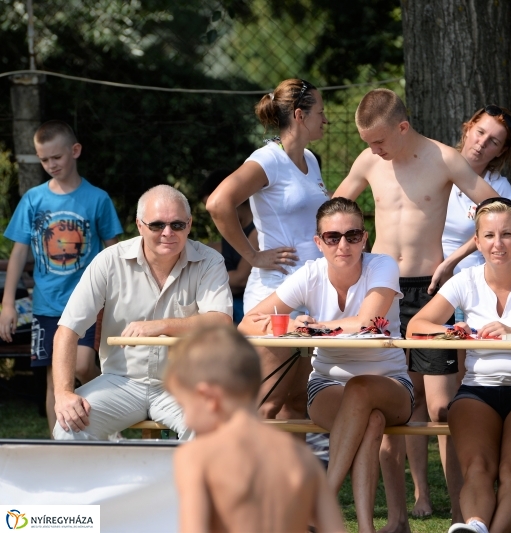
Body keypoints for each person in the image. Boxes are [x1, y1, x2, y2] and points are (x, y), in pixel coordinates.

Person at [334, 88, 499, 523]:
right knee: (390, 407)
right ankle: (398, 518)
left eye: (379, 141)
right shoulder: (369, 161)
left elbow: (498, 209)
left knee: (443, 410)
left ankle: (460, 515)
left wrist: (454, 259)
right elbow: (335, 210)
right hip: (382, 291)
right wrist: (352, 257)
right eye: (368, 143)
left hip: (429, 291)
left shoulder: (444, 159)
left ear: (403, 128)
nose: (374, 149)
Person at [239, 198, 413, 533]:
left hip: (390, 383)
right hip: (327, 385)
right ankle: (365, 529)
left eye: (352, 235)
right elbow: (248, 322)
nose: (343, 245)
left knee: (361, 388)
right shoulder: (310, 273)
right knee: (371, 422)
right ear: (318, 243)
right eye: (332, 237)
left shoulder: (382, 266)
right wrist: (291, 324)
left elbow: (367, 322)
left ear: (365, 238)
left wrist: (312, 327)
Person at [408, 198, 511, 533]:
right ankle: (476, 525)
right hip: (477, 391)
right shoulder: (465, 280)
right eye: (489, 235)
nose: (498, 244)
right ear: (478, 241)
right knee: (477, 469)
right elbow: (416, 327)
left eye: (507, 234)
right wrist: (453, 331)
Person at [52, 185, 233, 440]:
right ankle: (112, 469)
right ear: (140, 225)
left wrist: (160, 325)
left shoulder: (209, 261)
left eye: (177, 225)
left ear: (189, 225)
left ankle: (178, 469)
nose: (167, 233)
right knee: (68, 428)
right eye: (157, 225)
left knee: (212, 427)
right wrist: (63, 393)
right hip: (120, 382)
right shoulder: (109, 261)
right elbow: (68, 330)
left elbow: (221, 322)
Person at [408, 105, 511, 518]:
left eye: (494, 142)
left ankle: (462, 500)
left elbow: (494, 228)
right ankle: (421, 493)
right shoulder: (436, 166)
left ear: (501, 151)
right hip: (421, 289)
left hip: (468, 296)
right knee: (415, 397)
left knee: (449, 404)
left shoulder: (497, 186)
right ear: (467, 128)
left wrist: (450, 262)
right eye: (480, 132)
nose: (482, 144)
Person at [207, 78, 329, 420]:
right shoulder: (267, 159)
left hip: (309, 294)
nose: (326, 119)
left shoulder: (310, 159)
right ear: (300, 115)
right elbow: (218, 203)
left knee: (298, 403)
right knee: (265, 404)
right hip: (275, 295)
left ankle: (289, 461)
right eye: (321, 112)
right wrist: (253, 256)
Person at [0, 120, 122, 435]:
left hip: (88, 303)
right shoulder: (33, 199)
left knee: (81, 366)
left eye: (57, 157)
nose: (51, 164)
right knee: (56, 380)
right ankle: (59, 446)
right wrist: (8, 303)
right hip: (46, 306)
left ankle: (115, 413)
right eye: (44, 159)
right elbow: (18, 254)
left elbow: (114, 252)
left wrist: (121, 296)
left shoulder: (97, 198)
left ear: (75, 151)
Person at [166, 325, 345, 533]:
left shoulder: (198, 458)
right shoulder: (302, 458)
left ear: (208, 397)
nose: (187, 421)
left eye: (184, 406)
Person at [199, 168, 257, 324]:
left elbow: (240, 279)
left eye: (217, 209)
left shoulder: (257, 232)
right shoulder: (231, 230)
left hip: (245, 307)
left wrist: (199, 278)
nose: (215, 217)